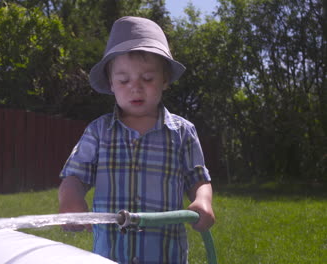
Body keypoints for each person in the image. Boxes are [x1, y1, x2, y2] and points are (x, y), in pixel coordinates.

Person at [58, 16, 215, 264]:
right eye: (124, 80)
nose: (136, 87)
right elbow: (74, 176)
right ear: (111, 83)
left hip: (165, 256)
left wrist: (202, 200)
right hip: (110, 256)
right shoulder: (98, 132)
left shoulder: (183, 132)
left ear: (165, 80)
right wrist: (71, 199)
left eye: (148, 79)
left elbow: (199, 179)